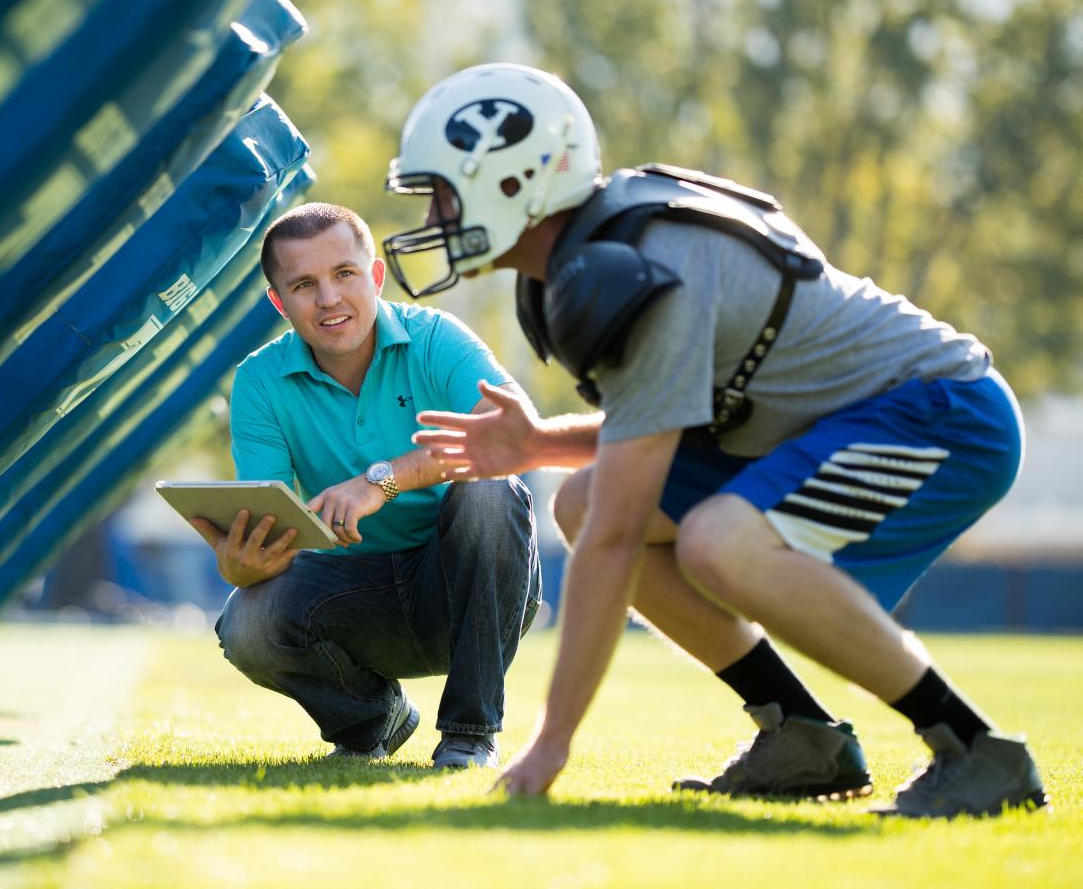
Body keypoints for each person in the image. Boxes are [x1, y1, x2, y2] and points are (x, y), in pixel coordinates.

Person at [382, 63, 1047, 817]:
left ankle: (975, 749)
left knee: (714, 540)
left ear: (513, 181)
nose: (434, 215)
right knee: (583, 498)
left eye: (442, 191)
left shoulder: (641, 267)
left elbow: (619, 536)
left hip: (945, 414)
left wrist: (553, 742)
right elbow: (658, 427)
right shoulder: (590, 260)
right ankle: (801, 736)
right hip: (832, 424)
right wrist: (538, 444)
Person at [191, 202, 543, 769]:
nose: (329, 299)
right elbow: (275, 528)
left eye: (344, 274)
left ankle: (470, 734)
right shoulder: (259, 379)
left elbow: (514, 431)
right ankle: (372, 719)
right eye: (304, 284)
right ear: (279, 302)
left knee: (487, 491)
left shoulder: (435, 339)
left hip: (468, 590)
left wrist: (383, 481)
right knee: (245, 621)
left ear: (375, 277)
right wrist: (242, 567)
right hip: (353, 593)